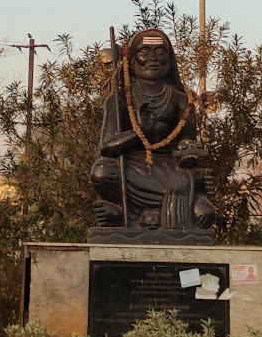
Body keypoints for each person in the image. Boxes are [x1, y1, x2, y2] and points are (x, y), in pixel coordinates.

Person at [89, 27, 215, 242]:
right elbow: (107, 146)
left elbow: (188, 141)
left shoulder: (180, 99)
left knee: (204, 214)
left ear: (170, 57)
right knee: (101, 171)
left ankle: (145, 216)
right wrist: (140, 132)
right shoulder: (118, 99)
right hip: (130, 168)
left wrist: (188, 150)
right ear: (132, 59)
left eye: (160, 52)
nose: (153, 59)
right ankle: (120, 213)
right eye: (144, 52)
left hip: (168, 169)